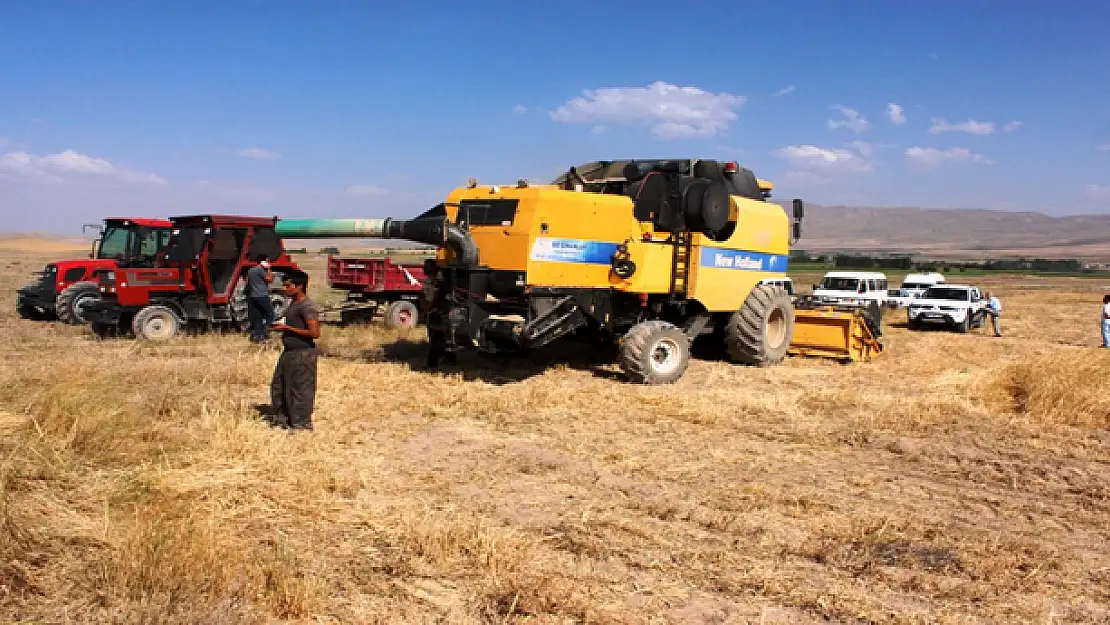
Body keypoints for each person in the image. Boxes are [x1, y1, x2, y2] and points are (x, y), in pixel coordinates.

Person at [268, 272, 320, 431]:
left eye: (288, 285)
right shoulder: (293, 304)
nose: (285, 289)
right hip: (289, 352)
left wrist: (287, 328)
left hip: (303, 353)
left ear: (300, 286)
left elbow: (314, 333)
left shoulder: (307, 307)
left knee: (300, 389)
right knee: (279, 386)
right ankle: (283, 420)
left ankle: (301, 425)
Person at [245, 254, 274, 343]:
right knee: (270, 315)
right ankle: (265, 334)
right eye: (267, 261)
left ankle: (256, 336)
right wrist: (269, 269)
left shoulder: (250, 270)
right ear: (264, 261)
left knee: (257, 317)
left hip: (252, 297)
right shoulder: (260, 270)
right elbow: (269, 279)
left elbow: (247, 283)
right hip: (262, 296)